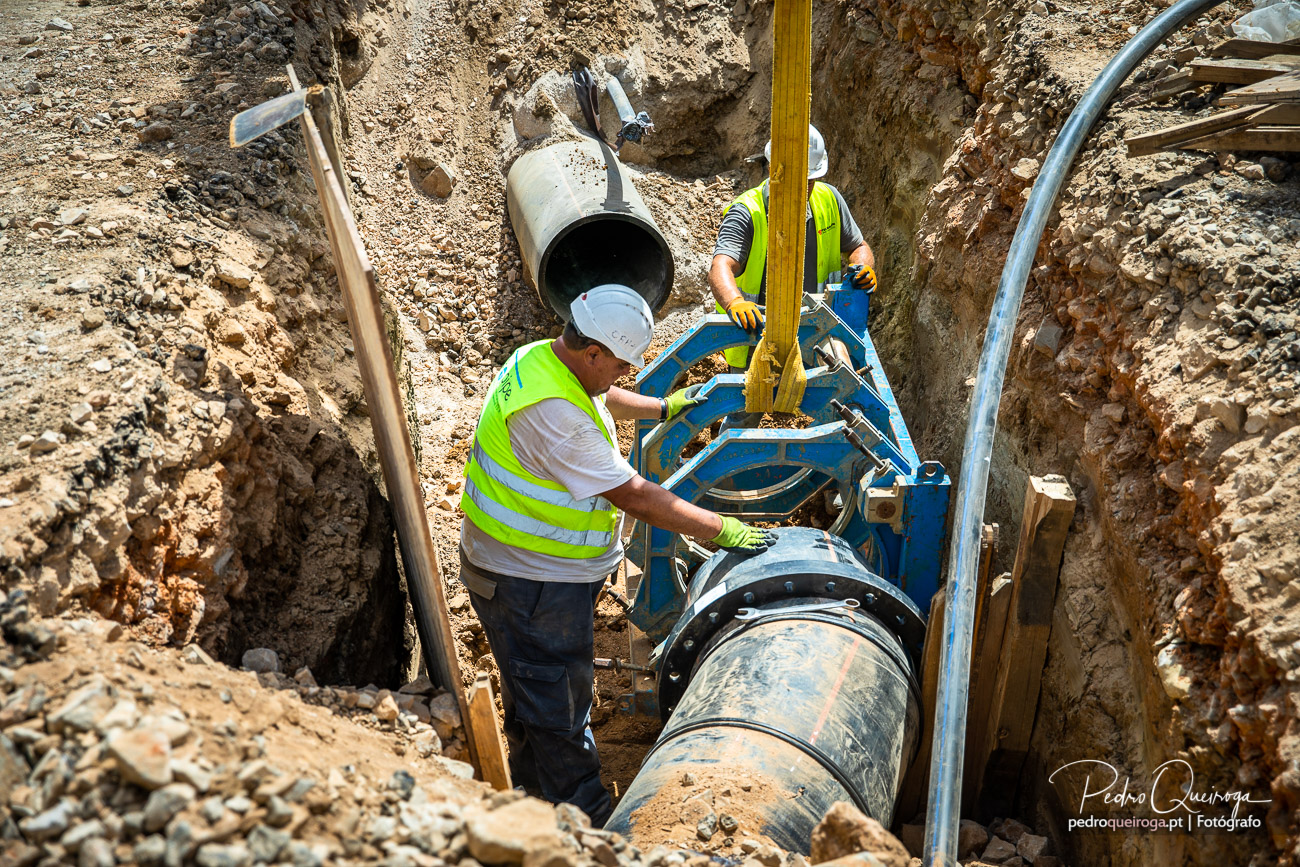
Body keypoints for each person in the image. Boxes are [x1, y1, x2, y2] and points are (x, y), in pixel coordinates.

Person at [457, 283, 774, 826]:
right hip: (531, 583)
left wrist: (663, 406)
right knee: (560, 704)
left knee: (533, 685)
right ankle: (588, 821)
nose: (625, 373)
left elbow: (600, 397)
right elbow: (636, 496)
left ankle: (534, 790)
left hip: (522, 569)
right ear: (592, 352)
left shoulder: (541, 360)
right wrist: (721, 528)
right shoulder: (555, 417)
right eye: (622, 363)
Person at [708, 124, 876, 426]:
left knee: (843, 394)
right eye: (794, 181)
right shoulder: (747, 211)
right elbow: (721, 265)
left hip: (817, 327)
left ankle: (832, 451)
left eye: (808, 181)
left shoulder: (829, 200)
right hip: (756, 335)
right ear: (773, 170)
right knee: (745, 412)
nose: (802, 189)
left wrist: (863, 267)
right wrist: (735, 302)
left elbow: (858, 246)